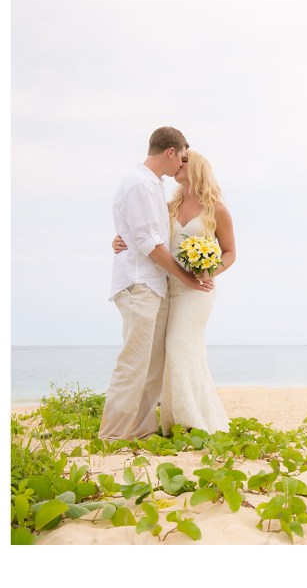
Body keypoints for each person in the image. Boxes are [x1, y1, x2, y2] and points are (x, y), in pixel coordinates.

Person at [100, 127, 213, 441]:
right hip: (140, 284)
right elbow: (148, 243)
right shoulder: (138, 184)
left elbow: (147, 233)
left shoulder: (154, 187)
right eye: (183, 158)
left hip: (155, 286)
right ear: (171, 153)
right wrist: (185, 276)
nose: (183, 165)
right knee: (134, 363)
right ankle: (113, 436)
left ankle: (141, 430)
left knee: (151, 366)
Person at [113, 150, 235, 434]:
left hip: (197, 292)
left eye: (185, 162)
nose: (178, 165)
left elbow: (230, 253)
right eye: (178, 160)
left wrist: (209, 270)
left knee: (180, 344)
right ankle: (179, 420)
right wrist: (120, 240)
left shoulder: (216, 208)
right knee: (175, 351)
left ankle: (190, 422)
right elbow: (145, 235)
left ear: (198, 168)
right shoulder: (167, 207)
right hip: (168, 287)